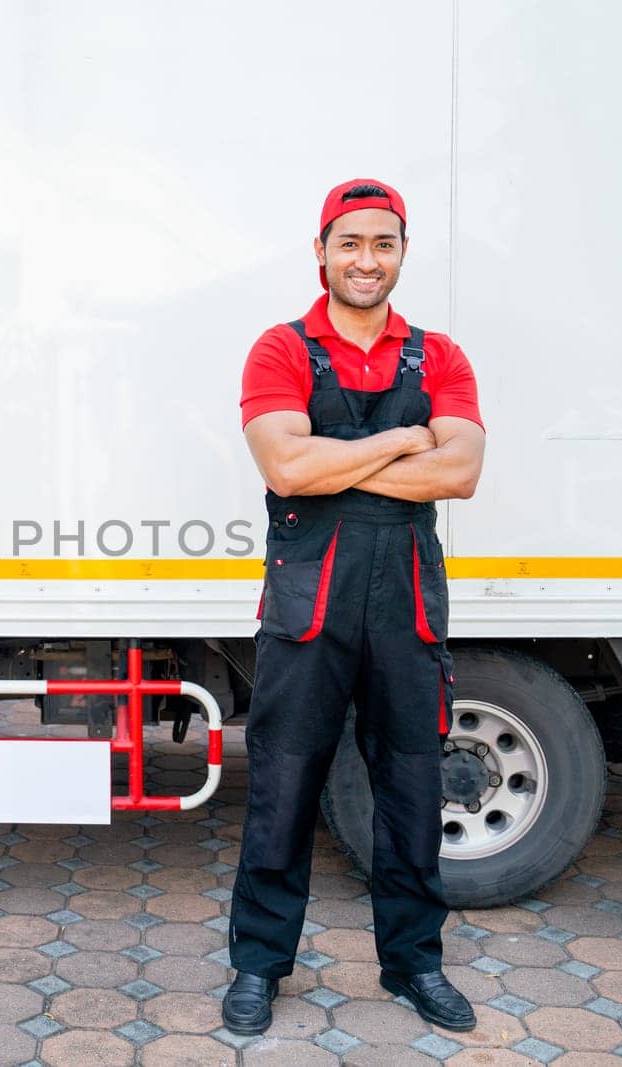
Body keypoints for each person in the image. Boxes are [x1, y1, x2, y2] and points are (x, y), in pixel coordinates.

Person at [225, 179, 487, 1035]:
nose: (366, 260)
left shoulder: (439, 355)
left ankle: (414, 964)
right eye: (350, 244)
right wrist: (403, 439)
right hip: (309, 604)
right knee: (284, 787)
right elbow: (287, 472)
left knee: (412, 788)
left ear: (402, 253)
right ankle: (259, 966)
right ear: (322, 251)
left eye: (383, 244)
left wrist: (335, 457)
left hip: (405, 599)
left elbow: (461, 474)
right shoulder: (281, 348)